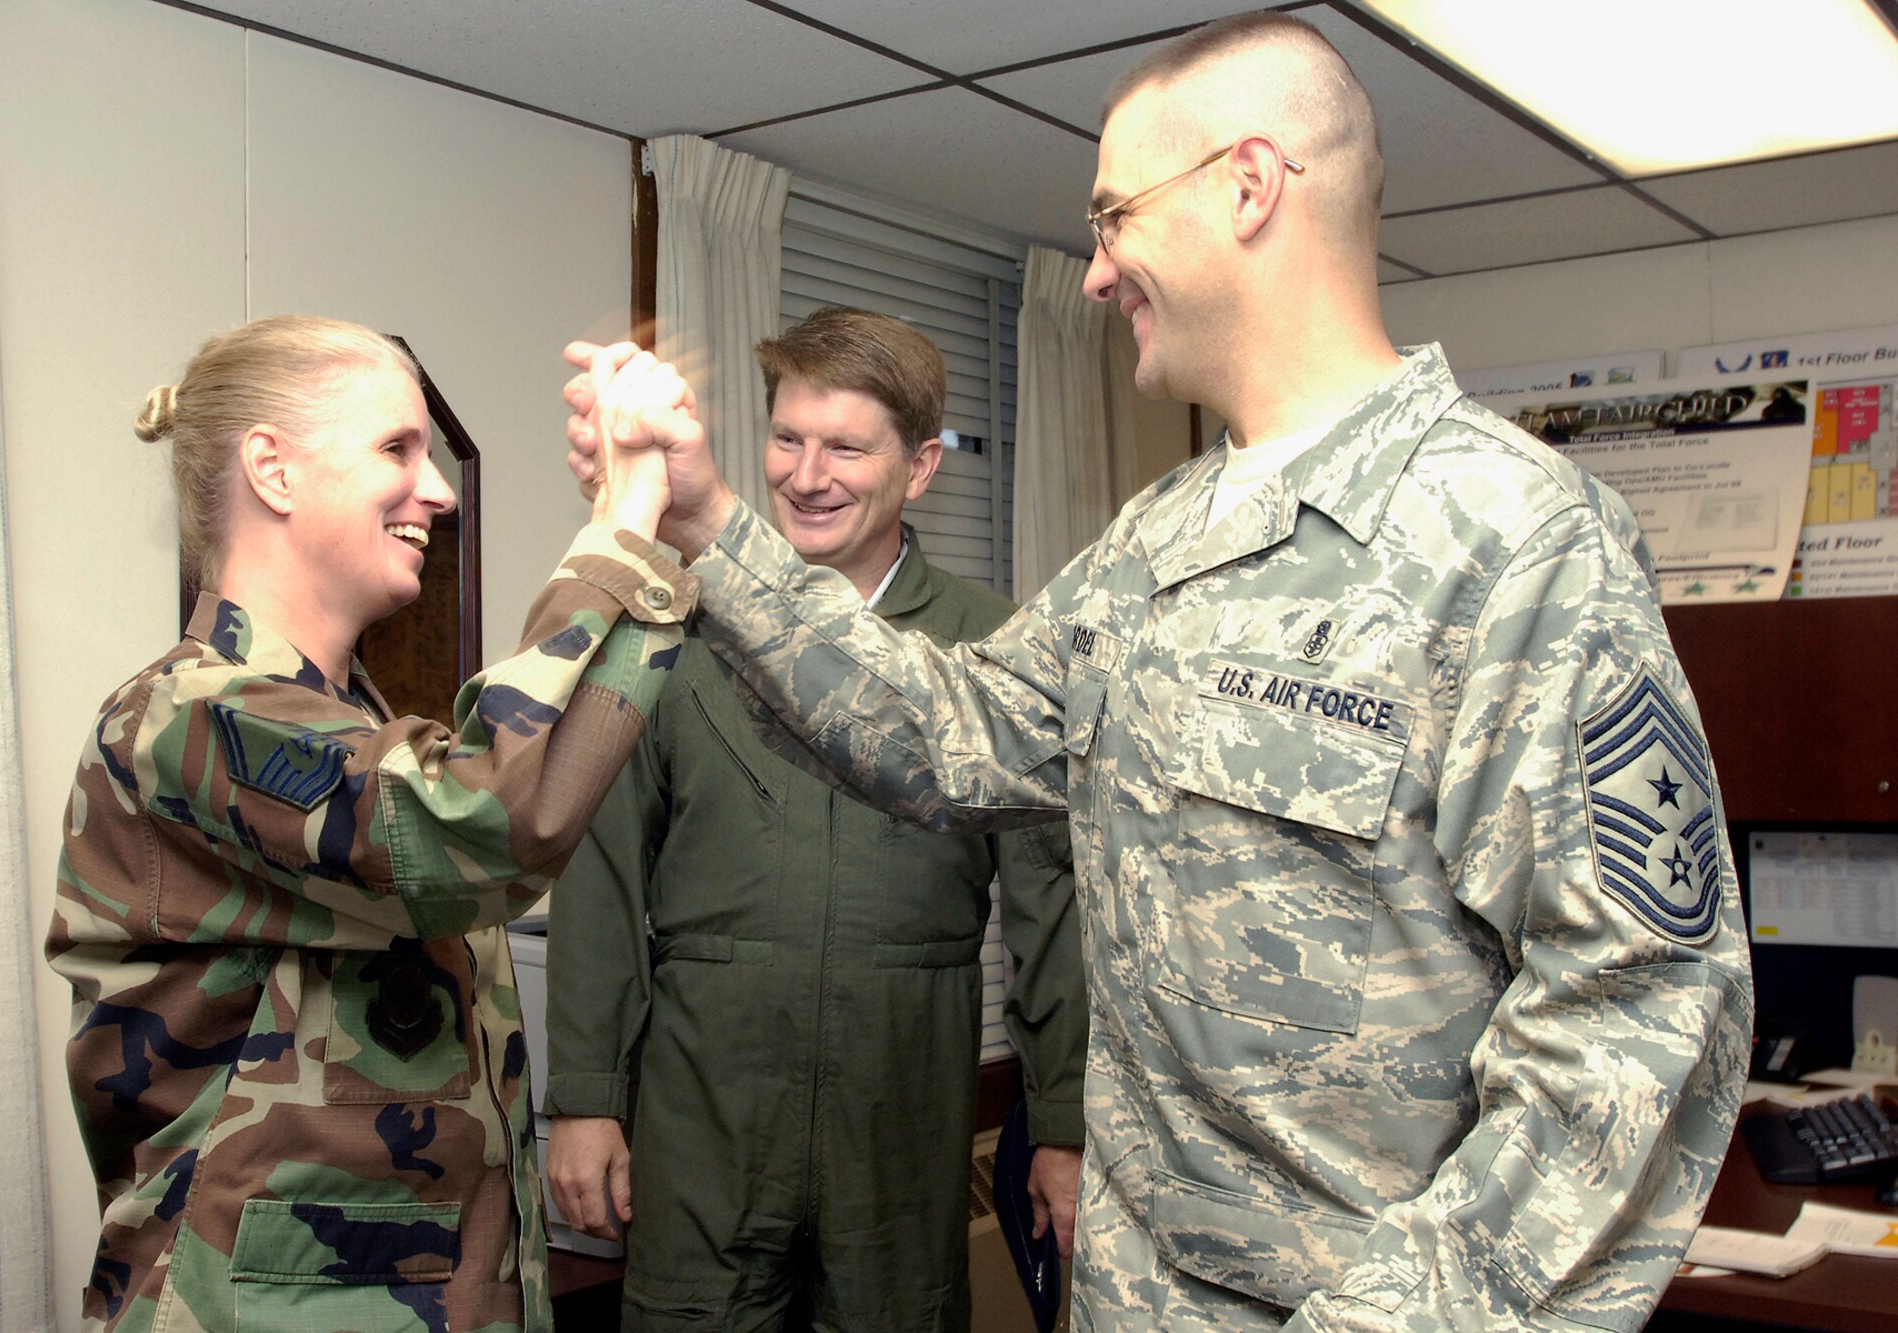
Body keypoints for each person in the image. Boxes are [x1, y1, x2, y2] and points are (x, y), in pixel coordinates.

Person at [563, 15, 1755, 1333]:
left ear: (1250, 185)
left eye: (1116, 214)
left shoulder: (1515, 541)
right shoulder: (1154, 543)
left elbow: (1643, 1010)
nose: (1094, 271)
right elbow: (942, 731)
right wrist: (710, 518)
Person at [48, 314, 695, 1333]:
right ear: (272, 469)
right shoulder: (189, 717)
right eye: (396, 448)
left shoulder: (348, 728)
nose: (436, 488)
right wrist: (622, 521)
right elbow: (477, 824)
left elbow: (507, 802)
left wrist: (652, 535)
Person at [542, 307, 1087, 1330]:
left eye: (845, 445)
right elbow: (601, 867)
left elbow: (1050, 907)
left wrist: (1060, 1120)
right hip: (705, 1105)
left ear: (920, 466)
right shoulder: (673, 621)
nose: (806, 474)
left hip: (899, 1111)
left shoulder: (990, 645)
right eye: (788, 439)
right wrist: (583, 1097)